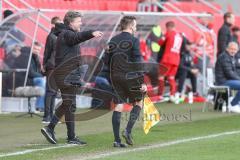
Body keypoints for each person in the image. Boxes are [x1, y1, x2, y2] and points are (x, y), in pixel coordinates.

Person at [41, 11, 103, 145]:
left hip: (67, 74)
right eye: (79, 21)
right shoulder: (67, 34)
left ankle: (71, 137)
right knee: (68, 103)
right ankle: (50, 128)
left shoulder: (65, 34)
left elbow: (76, 39)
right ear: (70, 22)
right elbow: (78, 37)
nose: (81, 23)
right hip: (66, 75)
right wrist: (91, 32)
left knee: (70, 105)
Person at [108, 16, 147, 147]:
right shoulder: (134, 40)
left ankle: (116, 140)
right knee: (139, 102)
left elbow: (107, 61)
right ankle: (128, 130)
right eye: (135, 25)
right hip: (130, 77)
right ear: (131, 26)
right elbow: (137, 60)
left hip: (115, 77)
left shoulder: (113, 40)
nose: (136, 28)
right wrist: (142, 81)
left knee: (119, 105)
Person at [42, 16, 62, 123]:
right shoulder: (51, 36)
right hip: (51, 66)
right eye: (59, 24)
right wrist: (44, 65)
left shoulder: (58, 36)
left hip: (57, 66)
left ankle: (51, 115)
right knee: (50, 91)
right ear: (53, 25)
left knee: (54, 92)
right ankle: (46, 116)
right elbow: (47, 52)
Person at [158, 21, 183, 102]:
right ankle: (172, 95)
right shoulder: (180, 35)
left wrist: (163, 36)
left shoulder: (168, 33)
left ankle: (160, 95)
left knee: (161, 76)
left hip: (168, 58)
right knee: (171, 78)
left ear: (168, 27)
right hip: (176, 59)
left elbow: (160, 42)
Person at [215, 41, 240, 113]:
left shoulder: (230, 57)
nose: (233, 51)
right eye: (231, 49)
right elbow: (229, 73)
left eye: (235, 49)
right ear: (227, 49)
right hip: (222, 81)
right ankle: (233, 104)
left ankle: (235, 102)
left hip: (227, 80)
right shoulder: (224, 57)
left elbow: (234, 72)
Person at [28, 42, 46, 111]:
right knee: (42, 81)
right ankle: (39, 106)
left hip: (36, 78)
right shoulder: (28, 57)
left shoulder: (36, 58)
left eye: (38, 50)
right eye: (35, 48)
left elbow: (39, 72)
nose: (36, 51)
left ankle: (48, 105)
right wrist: (42, 76)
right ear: (31, 48)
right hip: (29, 79)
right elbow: (30, 73)